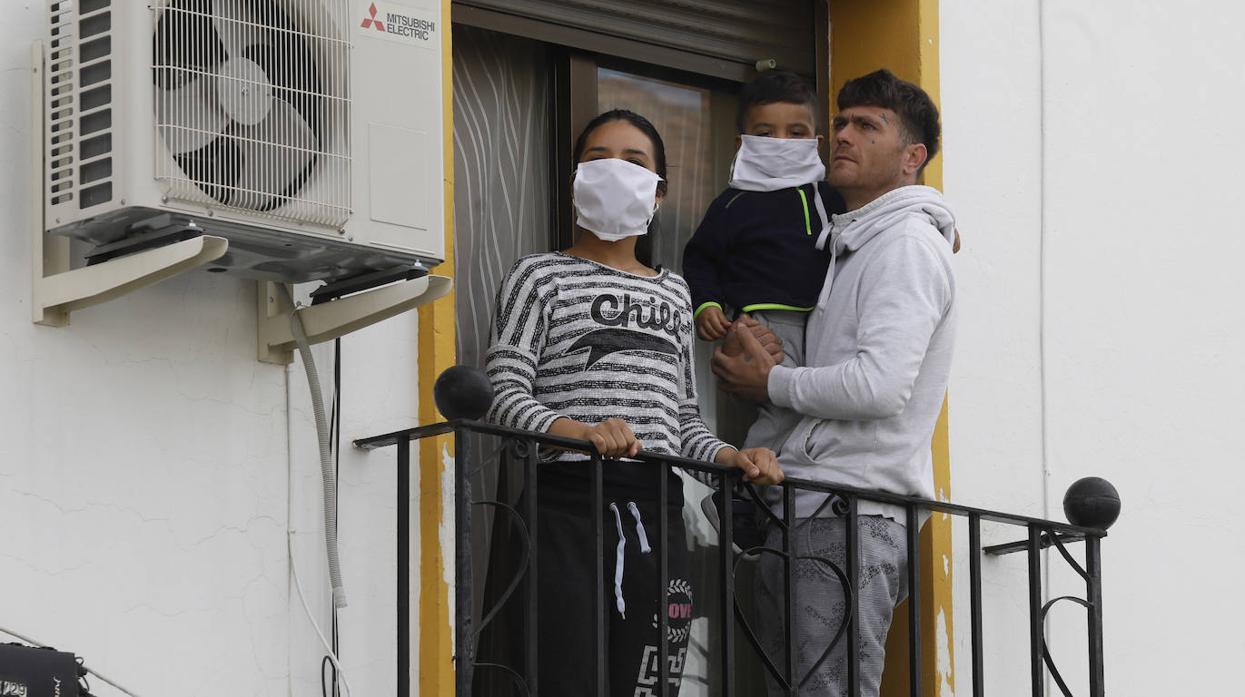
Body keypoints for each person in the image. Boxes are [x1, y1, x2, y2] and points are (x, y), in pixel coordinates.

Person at [483, 109, 785, 696]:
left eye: (634, 161)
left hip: (658, 510)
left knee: (649, 683)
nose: (614, 170)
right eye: (597, 159)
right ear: (574, 180)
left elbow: (682, 420)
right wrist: (575, 429)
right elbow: (502, 393)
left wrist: (731, 457)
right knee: (563, 676)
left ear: (659, 192)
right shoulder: (539, 276)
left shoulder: (675, 291)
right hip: (563, 510)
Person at [711, 69, 958, 696]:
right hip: (812, 508)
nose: (841, 136)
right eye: (841, 122)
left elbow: (879, 387)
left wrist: (773, 381)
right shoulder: (853, 240)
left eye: (866, 125)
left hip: (849, 514)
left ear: (912, 157)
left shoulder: (903, 243)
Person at [682, 70, 846, 455]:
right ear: (742, 142)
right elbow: (700, 258)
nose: (782, 143)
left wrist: (933, 222)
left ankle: (788, 493)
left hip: (823, 324)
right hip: (761, 325)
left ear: (817, 142)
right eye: (767, 133)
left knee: (822, 409)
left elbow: (881, 217)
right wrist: (705, 304)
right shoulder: (731, 204)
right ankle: (745, 487)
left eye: (796, 132)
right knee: (782, 409)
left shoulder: (831, 196)